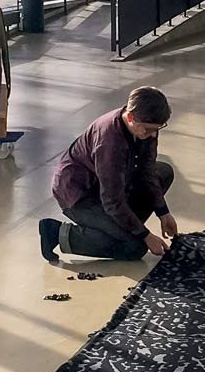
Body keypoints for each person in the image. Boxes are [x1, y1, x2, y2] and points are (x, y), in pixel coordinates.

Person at [39, 86, 178, 262]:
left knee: (163, 172)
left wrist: (163, 212)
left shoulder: (144, 127)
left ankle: (119, 227)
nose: (153, 135)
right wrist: (145, 235)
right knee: (134, 247)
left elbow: (147, 172)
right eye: (148, 130)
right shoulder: (109, 142)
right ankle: (56, 232)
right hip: (81, 196)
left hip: (111, 184)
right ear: (130, 117)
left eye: (157, 129)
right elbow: (112, 201)